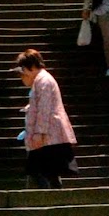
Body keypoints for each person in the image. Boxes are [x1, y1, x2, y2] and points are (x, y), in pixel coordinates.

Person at [15, 48, 77, 188]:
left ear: (30, 67)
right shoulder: (42, 81)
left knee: (42, 171)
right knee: (48, 171)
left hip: (48, 136)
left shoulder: (44, 82)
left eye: (23, 69)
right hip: (48, 136)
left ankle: (50, 197)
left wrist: (39, 132)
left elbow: (44, 109)